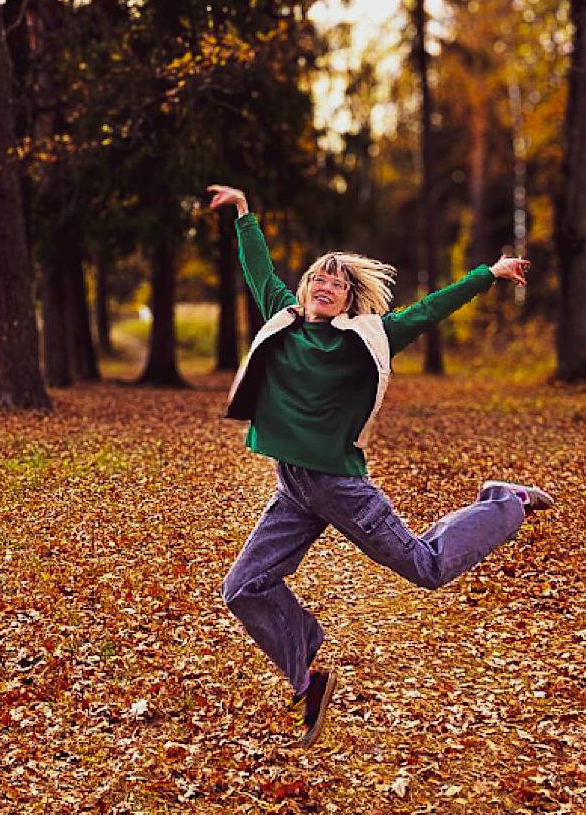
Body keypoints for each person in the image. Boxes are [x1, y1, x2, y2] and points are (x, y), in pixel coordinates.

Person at [208, 184, 553, 747]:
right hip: (294, 486)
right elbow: (258, 267)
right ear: (305, 288)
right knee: (244, 586)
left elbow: (430, 309)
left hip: (340, 486)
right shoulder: (282, 319)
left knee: (427, 567)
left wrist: (488, 274)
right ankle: (308, 677)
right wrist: (245, 212)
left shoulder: (369, 339)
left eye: (338, 284)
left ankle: (504, 502)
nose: (326, 287)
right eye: (319, 278)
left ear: (349, 300)